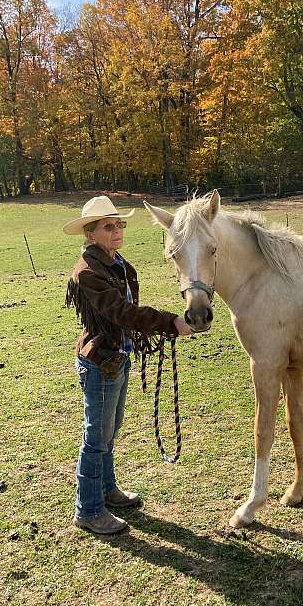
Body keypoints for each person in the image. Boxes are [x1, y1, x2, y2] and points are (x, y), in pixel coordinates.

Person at [63, 195, 191, 535]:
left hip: (116, 357)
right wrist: (169, 322)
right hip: (101, 361)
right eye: (109, 226)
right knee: (96, 436)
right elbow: (122, 313)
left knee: (109, 431)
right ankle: (88, 510)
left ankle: (107, 490)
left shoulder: (112, 262)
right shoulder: (89, 272)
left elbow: (126, 312)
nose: (117, 230)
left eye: (119, 224)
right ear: (90, 234)